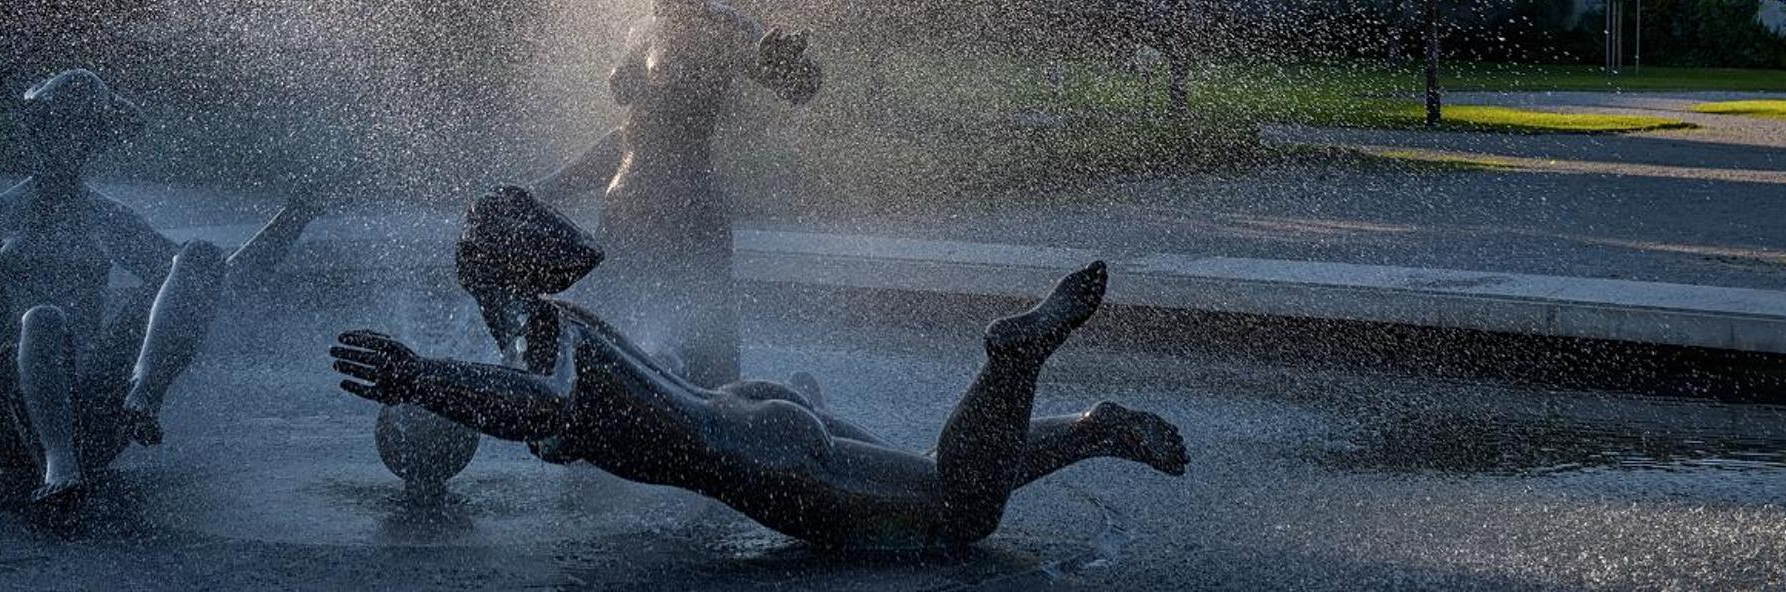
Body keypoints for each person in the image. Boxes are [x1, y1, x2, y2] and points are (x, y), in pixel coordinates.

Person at [331, 186, 1188, 554]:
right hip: (747, 413)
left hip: (758, 458)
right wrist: (446, 386)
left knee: (958, 514)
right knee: (934, 476)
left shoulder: (535, 336)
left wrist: (420, 378)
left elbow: (541, 405)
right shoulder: (549, 325)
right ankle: (1092, 430)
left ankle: (1013, 361)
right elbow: (555, 380)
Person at [0, 69, 316, 516]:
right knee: (43, 318)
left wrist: (296, 214)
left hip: (93, 411)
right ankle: (59, 469)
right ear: (38, 131)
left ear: (95, 140)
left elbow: (216, 286)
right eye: (60, 127)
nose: (70, 141)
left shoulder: (110, 219)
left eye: (83, 131)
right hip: (16, 418)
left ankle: (143, 395)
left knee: (197, 257)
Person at [534, 0, 820, 386]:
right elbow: (630, 140)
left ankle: (776, 418)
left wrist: (789, 69)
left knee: (709, 373)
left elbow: (797, 82)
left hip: (684, 218)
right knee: (595, 370)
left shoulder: (719, 25)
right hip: (623, 223)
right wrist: (548, 189)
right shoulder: (641, 32)